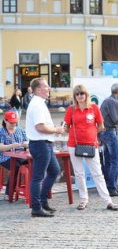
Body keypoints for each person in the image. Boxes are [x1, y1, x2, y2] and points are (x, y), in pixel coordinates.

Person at [64, 85, 118, 211]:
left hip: (91, 144)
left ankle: (108, 201)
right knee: (79, 173)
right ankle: (83, 200)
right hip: (74, 144)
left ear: (86, 94)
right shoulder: (71, 109)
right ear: (74, 96)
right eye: (77, 94)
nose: (80, 96)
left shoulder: (93, 108)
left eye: (82, 93)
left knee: (98, 173)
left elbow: (101, 125)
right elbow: (67, 127)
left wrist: (91, 134)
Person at [26, 77, 65, 218]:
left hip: (43, 144)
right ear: (38, 89)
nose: (49, 88)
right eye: (46, 86)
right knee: (38, 177)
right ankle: (36, 208)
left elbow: (42, 126)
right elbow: (40, 127)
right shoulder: (37, 104)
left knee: (54, 171)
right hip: (40, 144)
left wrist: (55, 129)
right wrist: (56, 130)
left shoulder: (39, 103)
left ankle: (42, 201)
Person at [0, 111, 28, 199]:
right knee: (15, 167)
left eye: (14, 122)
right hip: (5, 156)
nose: (13, 124)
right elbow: (1, 148)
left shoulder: (20, 130)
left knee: (33, 163)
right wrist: (12, 145)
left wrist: (25, 144)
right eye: (11, 122)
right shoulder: (1, 132)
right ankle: (9, 192)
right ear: (5, 120)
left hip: (20, 155)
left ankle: (31, 190)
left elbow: (27, 142)